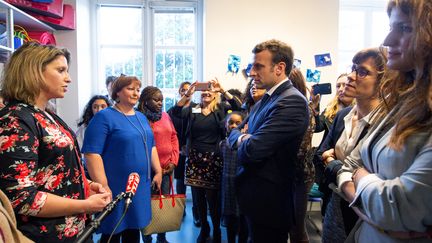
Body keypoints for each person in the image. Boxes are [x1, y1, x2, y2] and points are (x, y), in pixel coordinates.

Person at [338, 1, 432, 242]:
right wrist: (370, 212)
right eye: (391, 27)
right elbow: (348, 164)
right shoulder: (400, 103)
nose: (388, 40)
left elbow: (399, 208)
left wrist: (362, 177)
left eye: (405, 28)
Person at [0, 42, 111, 242]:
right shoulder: (15, 120)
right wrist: (85, 205)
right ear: (34, 72)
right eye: (61, 71)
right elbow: (22, 198)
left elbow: (55, 169)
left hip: (74, 231)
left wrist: (86, 184)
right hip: (43, 235)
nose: (68, 78)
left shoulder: (46, 114)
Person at [228, 39, 309, 243]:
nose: (252, 72)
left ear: (279, 68)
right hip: (254, 199)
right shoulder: (268, 98)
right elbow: (234, 132)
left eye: (258, 66)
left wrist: (244, 138)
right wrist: (244, 137)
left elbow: (253, 150)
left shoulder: (292, 101)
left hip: (269, 204)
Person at [82, 75, 162, 243]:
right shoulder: (104, 117)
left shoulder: (140, 117)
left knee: (133, 228)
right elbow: (91, 153)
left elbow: (151, 145)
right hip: (116, 186)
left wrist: (158, 171)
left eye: (138, 90)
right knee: (113, 229)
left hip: (139, 185)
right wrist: (103, 185)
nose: (136, 93)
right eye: (130, 89)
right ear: (117, 93)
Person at [319, 48, 386, 243]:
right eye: (353, 69)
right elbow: (319, 154)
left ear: (383, 83)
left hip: (362, 212)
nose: (351, 76)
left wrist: (332, 162)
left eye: (363, 71)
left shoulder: (385, 123)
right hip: (335, 205)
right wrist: (344, 169)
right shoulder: (343, 115)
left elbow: (369, 175)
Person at [171, 78, 241, 243]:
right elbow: (176, 110)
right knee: (198, 198)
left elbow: (239, 106)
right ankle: (204, 228)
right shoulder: (194, 109)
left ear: (215, 94)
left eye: (210, 90)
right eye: (204, 91)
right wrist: (189, 93)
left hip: (213, 159)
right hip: (194, 158)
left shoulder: (221, 110)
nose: (207, 92)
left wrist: (223, 90)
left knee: (212, 198)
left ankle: (216, 228)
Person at [137, 86, 179, 243]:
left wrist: (174, 161)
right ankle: (147, 238)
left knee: (163, 204)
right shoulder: (138, 118)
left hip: (167, 169)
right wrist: (155, 169)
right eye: (156, 100)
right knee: (145, 206)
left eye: (161, 99)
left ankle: (162, 237)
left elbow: (174, 138)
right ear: (145, 101)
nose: (160, 103)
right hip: (147, 171)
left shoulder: (165, 116)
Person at [167, 81, 201, 227]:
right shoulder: (173, 110)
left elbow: (200, 126)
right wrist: (177, 148)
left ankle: (197, 213)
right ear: (180, 92)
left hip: (193, 149)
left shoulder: (197, 108)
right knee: (180, 181)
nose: (185, 92)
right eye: (183, 90)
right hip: (177, 150)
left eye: (188, 90)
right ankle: (181, 211)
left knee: (194, 184)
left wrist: (189, 145)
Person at [288, 68, 316, 243]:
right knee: (289, 225)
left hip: (299, 175)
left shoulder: (302, 108)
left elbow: (301, 148)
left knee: (297, 228)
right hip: (291, 174)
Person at [219, 111, 247, 243]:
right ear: (225, 125)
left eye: (237, 123)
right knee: (230, 217)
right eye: (231, 123)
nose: (234, 126)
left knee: (242, 217)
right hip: (227, 185)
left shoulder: (246, 143)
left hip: (242, 184)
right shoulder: (222, 144)